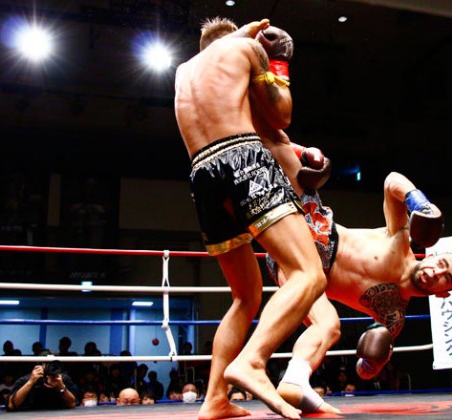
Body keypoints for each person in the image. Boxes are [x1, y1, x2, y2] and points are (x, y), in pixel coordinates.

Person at [174, 16, 327, 420]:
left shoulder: (184, 71)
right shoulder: (246, 48)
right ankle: (253, 361)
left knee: (246, 296)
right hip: (242, 158)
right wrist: (277, 62)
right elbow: (280, 116)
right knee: (309, 274)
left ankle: (214, 399)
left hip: (201, 173)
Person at [261, 131, 452, 414]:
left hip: (303, 273)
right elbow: (392, 180)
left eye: (446, 278)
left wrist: (373, 362)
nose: (436, 273)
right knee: (280, 145)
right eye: (441, 264)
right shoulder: (401, 240)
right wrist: (419, 204)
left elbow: (364, 371)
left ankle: (294, 380)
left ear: (443, 293)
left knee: (328, 326)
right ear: (432, 257)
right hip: (314, 225)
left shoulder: (393, 316)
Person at [7, 361, 77, 411]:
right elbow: (11, 405)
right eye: (46, 364)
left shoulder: (62, 379)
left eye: (51, 365)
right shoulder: (26, 379)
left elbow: (72, 404)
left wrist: (60, 387)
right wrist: (31, 382)